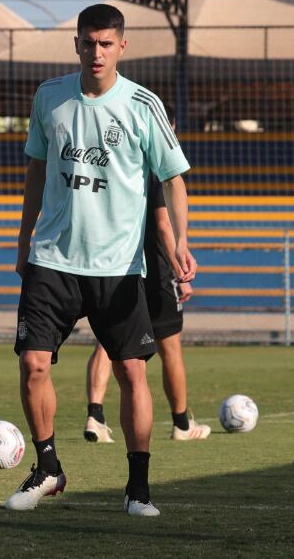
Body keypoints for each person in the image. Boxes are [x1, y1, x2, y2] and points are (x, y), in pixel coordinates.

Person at [9, 3, 195, 518]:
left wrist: (180, 241)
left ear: (121, 46)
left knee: (133, 371)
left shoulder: (142, 105)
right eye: (88, 43)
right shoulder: (49, 97)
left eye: (106, 43)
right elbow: (34, 172)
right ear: (76, 44)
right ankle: (48, 467)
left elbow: (174, 178)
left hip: (118, 265)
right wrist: (25, 240)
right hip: (53, 256)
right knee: (32, 364)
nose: (96, 52)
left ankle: (138, 489)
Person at [84, 174, 210, 443]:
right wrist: (179, 272)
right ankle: (182, 424)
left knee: (106, 344)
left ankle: (95, 415)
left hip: (115, 268)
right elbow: (164, 226)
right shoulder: (154, 172)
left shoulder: (118, 167)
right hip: (156, 273)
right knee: (170, 349)